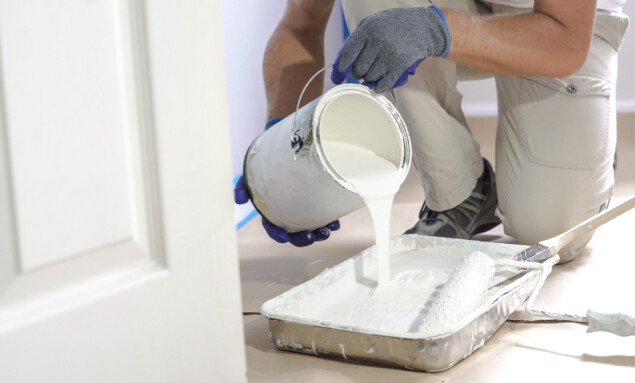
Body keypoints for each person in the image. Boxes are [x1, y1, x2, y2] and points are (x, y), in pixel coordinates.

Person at [235, 0, 629, 262]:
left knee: (549, 230)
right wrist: (283, 143)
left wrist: (433, 30)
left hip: (555, 23)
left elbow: (564, 39)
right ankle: (459, 193)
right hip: (446, 7)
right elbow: (301, 23)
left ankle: (592, 139)